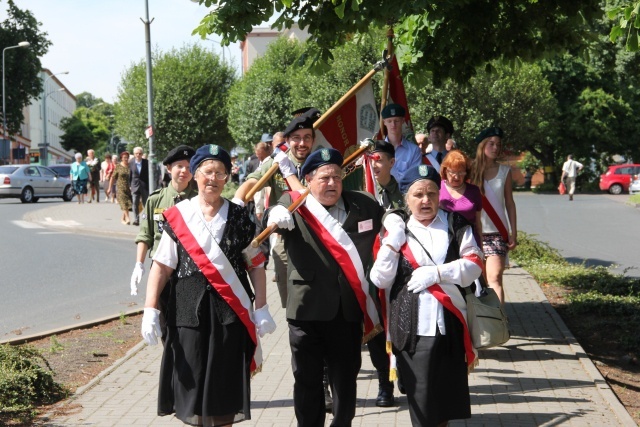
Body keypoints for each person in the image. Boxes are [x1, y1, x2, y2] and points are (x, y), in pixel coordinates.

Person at [141, 143, 276, 426]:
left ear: (227, 177)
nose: (213, 178)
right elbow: (162, 266)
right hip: (187, 316)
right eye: (207, 171)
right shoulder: (179, 217)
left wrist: (261, 307)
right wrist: (150, 309)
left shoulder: (241, 218)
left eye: (220, 173)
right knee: (191, 392)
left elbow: (256, 264)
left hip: (229, 318)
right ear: (195, 174)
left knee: (224, 394)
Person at [266, 147, 385, 426]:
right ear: (308, 179)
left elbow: (393, 213)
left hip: (346, 311)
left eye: (337, 177)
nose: (332, 183)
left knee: (345, 381)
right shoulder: (294, 204)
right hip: (306, 310)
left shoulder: (362, 204)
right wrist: (274, 215)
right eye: (324, 178)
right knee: (307, 382)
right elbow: (270, 216)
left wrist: (395, 217)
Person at [369, 164, 483, 427]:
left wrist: (438, 274)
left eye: (431, 194)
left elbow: (475, 263)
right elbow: (380, 279)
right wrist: (392, 241)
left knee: (444, 399)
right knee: (421, 398)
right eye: (418, 194)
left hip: (450, 324)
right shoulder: (398, 231)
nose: (425, 200)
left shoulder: (456, 225)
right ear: (407, 199)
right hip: (411, 328)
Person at [130, 145, 198, 296]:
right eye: (179, 166)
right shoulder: (156, 199)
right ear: (169, 168)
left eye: (188, 167)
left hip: (191, 267)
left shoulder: (199, 199)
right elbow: (145, 234)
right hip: (161, 267)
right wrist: (139, 264)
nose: (184, 171)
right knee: (161, 312)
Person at [368, 139, 403, 407]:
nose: (375, 163)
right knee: (376, 331)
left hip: (399, 271)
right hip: (369, 271)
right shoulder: (361, 191)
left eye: (380, 159)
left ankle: (404, 371)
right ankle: (384, 384)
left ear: (392, 162)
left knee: (403, 324)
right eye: (371, 158)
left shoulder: (405, 192)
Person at [470, 127, 517, 304]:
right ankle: (482, 323)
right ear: (482, 145)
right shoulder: (470, 170)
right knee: (478, 280)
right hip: (475, 233)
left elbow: (510, 203)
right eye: (491, 143)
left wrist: (514, 232)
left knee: (494, 277)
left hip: (497, 233)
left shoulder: (505, 171)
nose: (496, 148)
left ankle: (499, 323)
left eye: (498, 144)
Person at [439, 149, 483, 244]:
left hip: (470, 241)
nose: (457, 177)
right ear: (445, 171)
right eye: (453, 172)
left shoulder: (474, 191)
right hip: (445, 242)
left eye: (461, 172)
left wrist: (481, 250)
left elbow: (478, 223)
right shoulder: (437, 188)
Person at [381, 103, 422, 183]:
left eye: (396, 121)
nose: (393, 125)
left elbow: (414, 178)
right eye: (389, 121)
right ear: (384, 122)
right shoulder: (377, 149)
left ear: (403, 121)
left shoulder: (414, 150)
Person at [110, 151, 133, 225]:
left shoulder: (130, 166)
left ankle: (123, 218)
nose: (126, 159)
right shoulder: (118, 166)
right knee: (124, 203)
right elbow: (113, 177)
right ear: (121, 158)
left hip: (129, 187)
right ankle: (128, 218)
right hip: (120, 187)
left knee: (129, 203)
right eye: (124, 157)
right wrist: (109, 188)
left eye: (127, 157)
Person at [129, 146, 150, 226]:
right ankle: (136, 219)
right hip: (135, 185)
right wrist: (129, 185)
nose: (138, 155)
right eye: (136, 153)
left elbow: (149, 174)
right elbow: (130, 175)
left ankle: (145, 219)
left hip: (144, 185)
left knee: (146, 203)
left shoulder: (146, 162)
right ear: (134, 154)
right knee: (135, 202)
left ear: (142, 154)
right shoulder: (131, 162)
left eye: (140, 153)